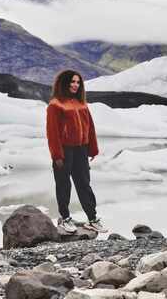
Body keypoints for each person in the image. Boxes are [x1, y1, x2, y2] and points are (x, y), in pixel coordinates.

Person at [46, 70, 108, 234]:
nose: (75, 85)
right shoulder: (55, 105)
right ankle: (65, 218)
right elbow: (52, 132)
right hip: (64, 150)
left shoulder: (81, 104)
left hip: (81, 149)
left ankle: (92, 219)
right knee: (63, 185)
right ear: (64, 83)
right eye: (72, 82)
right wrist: (57, 155)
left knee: (84, 185)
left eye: (78, 82)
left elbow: (90, 128)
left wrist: (92, 148)